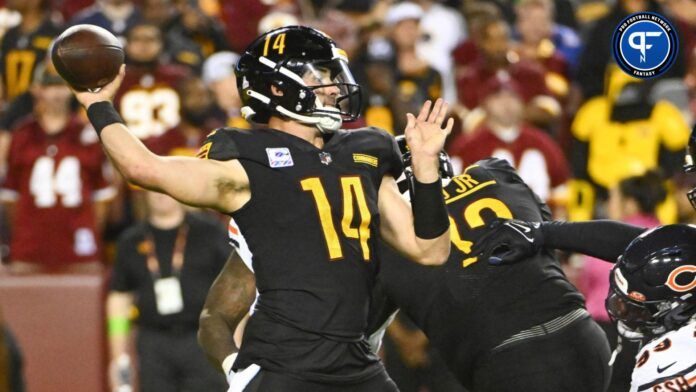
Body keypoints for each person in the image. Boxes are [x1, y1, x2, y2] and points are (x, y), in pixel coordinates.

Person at [70, 25, 452, 391]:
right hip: (284, 363)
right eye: (320, 74)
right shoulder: (249, 159)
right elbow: (143, 168)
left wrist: (425, 168)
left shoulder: (366, 150)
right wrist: (99, 104)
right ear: (277, 86)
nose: (335, 87)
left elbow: (430, 249)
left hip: (355, 359)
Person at [204, 143, 612, 392]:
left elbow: (353, 335)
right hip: (583, 333)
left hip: (507, 361)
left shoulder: (379, 239)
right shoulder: (495, 173)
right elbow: (543, 232)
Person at [107, 191, 228, 392]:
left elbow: (234, 289)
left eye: (164, 188)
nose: (159, 195)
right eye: (152, 188)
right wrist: (119, 358)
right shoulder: (130, 240)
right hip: (153, 340)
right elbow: (119, 299)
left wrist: (233, 342)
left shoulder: (210, 232)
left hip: (203, 337)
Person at [0, 63, 115, 274]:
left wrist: (88, 229)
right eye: (49, 86)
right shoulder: (21, 134)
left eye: (62, 86)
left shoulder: (88, 135)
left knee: (83, 299)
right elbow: (10, 197)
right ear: (36, 89)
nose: (56, 93)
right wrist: (25, 231)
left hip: (79, 241)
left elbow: (102, 197)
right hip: (29, 244)